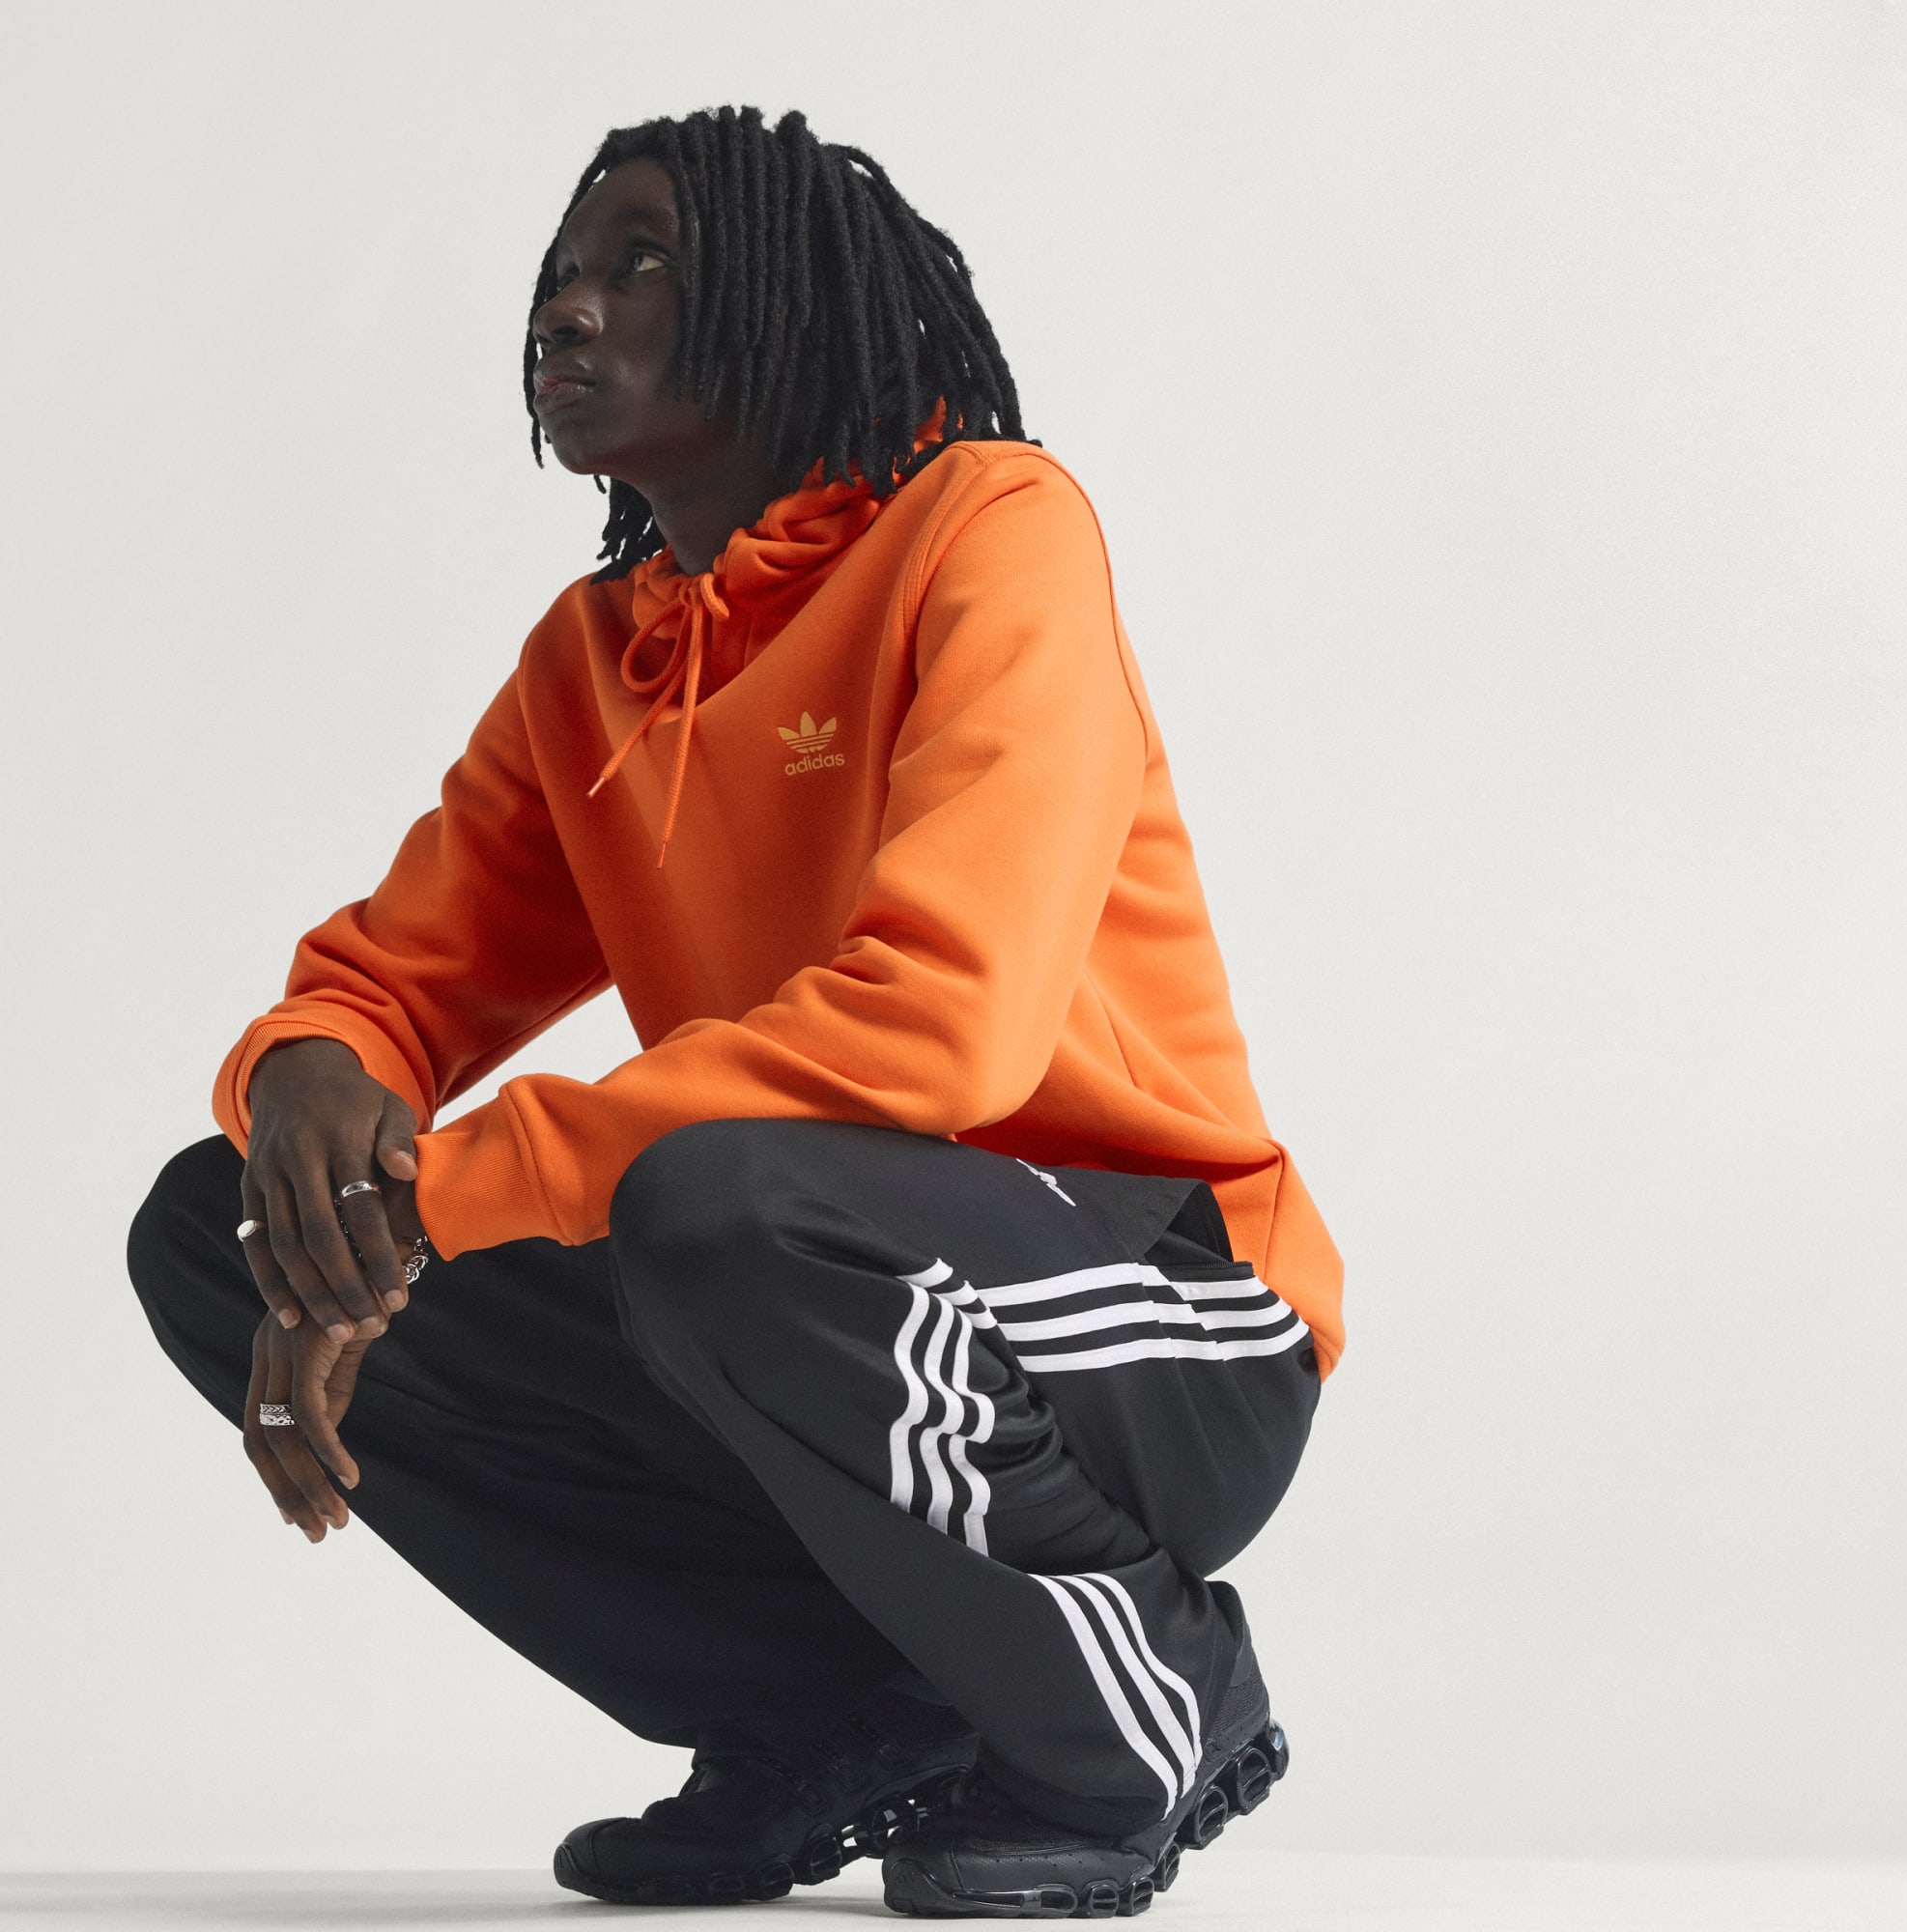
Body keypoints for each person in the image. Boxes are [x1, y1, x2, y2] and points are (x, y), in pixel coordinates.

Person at [127, 104, 1344, 1918]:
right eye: (561, 273)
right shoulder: (598, 661)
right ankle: (839, 1713)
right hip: (812, 1287)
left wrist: (440, 1194)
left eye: (642, 269)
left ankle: (1140, 1701)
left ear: (790, 307)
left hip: (1156, 1307)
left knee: (717, 1204)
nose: (568, 309)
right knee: (215, 1232)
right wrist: (314, 1081)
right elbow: (395, 978)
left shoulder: (992, 530)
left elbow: (943, 1028)